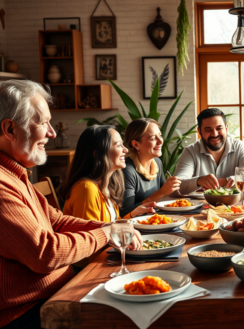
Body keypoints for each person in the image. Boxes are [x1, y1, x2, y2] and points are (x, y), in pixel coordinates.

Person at [0, 80, 142, 328]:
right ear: (10, 129)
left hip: (58, 292)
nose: (52, 133)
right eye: (43, 122)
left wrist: (114, 228)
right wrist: (105, 232)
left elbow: (56, 220)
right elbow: (45, 253)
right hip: (30, 312)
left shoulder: (15, 174)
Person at [61, 125, 156, 221]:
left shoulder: (105, 186)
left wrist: (132, 214)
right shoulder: (86, 189)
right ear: (97, 154)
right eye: (118, 145)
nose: (126, 150)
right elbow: (92, 233)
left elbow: (111, 223)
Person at [174, 108, 244, 195]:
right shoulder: (190, 151)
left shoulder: (239, 146)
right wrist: (199, 181)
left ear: (226, 128)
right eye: (208, 130)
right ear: (199, 131)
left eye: (219, 128)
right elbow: (177, 185)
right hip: (200, 206)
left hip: (234, 206)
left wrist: (227, 180)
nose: (215, 134)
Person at [120, 118, 182, 217]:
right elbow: (125, 212)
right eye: (153, 138)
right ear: (136, 144)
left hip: (154, 219)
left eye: (160, 136)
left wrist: (172, 189)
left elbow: (165, 195)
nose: (160, 141)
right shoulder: (127, 170)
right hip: (136, 227)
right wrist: (161, 192)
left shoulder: (157, 162)